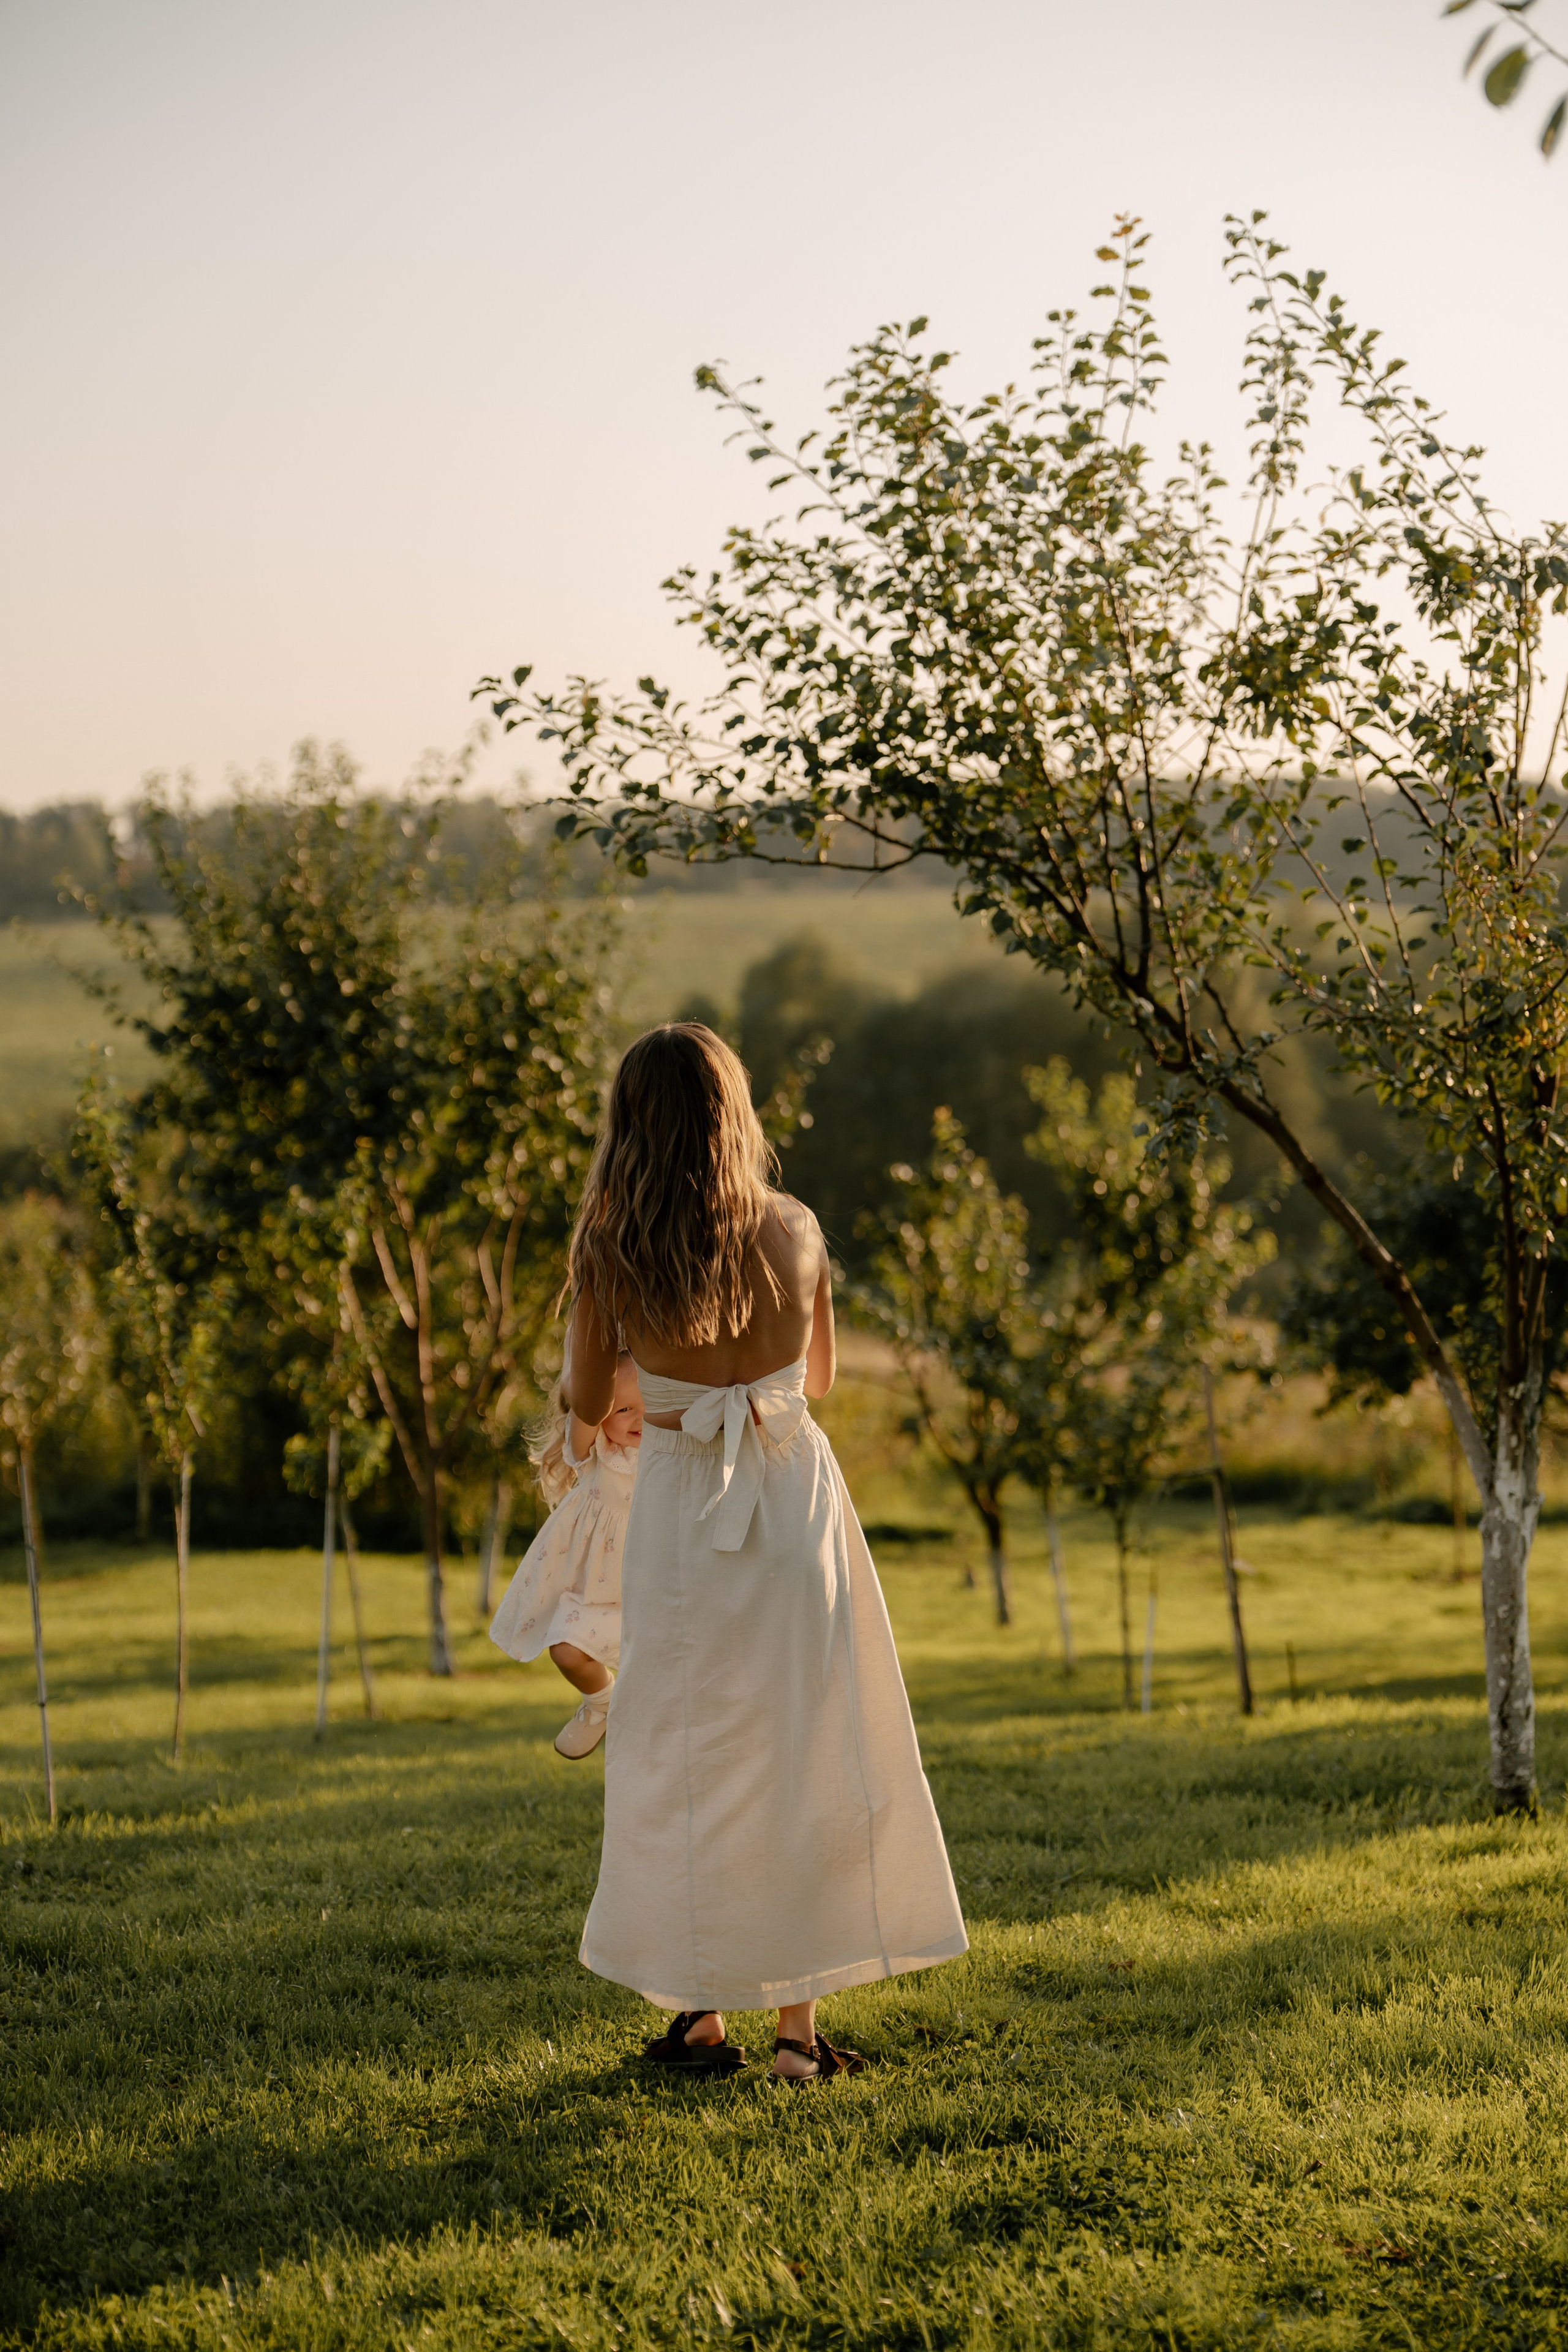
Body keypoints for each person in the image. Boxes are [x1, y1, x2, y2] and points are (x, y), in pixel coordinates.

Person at [564, 1022, 967, 2083]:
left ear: (630, 1125)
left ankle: (700, 2020)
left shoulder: (612, 1247)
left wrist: (648, 1392)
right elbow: (819, 1376)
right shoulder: (796, 1228)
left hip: (685, 1503)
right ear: (734, 1114)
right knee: (806, 1744)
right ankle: (798, 2039)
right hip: (794, 1504)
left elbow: (583, 1397)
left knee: (687, 1748)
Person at [489, 1352, 644, 1758]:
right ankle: (600, 1703)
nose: (639, 1419)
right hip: (597, 1593)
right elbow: (586, 1401)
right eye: (625, 1409)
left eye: (649, 1406)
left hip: (652, 1590)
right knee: (567, 1650)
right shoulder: (595, 1452)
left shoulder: (670, 1457)